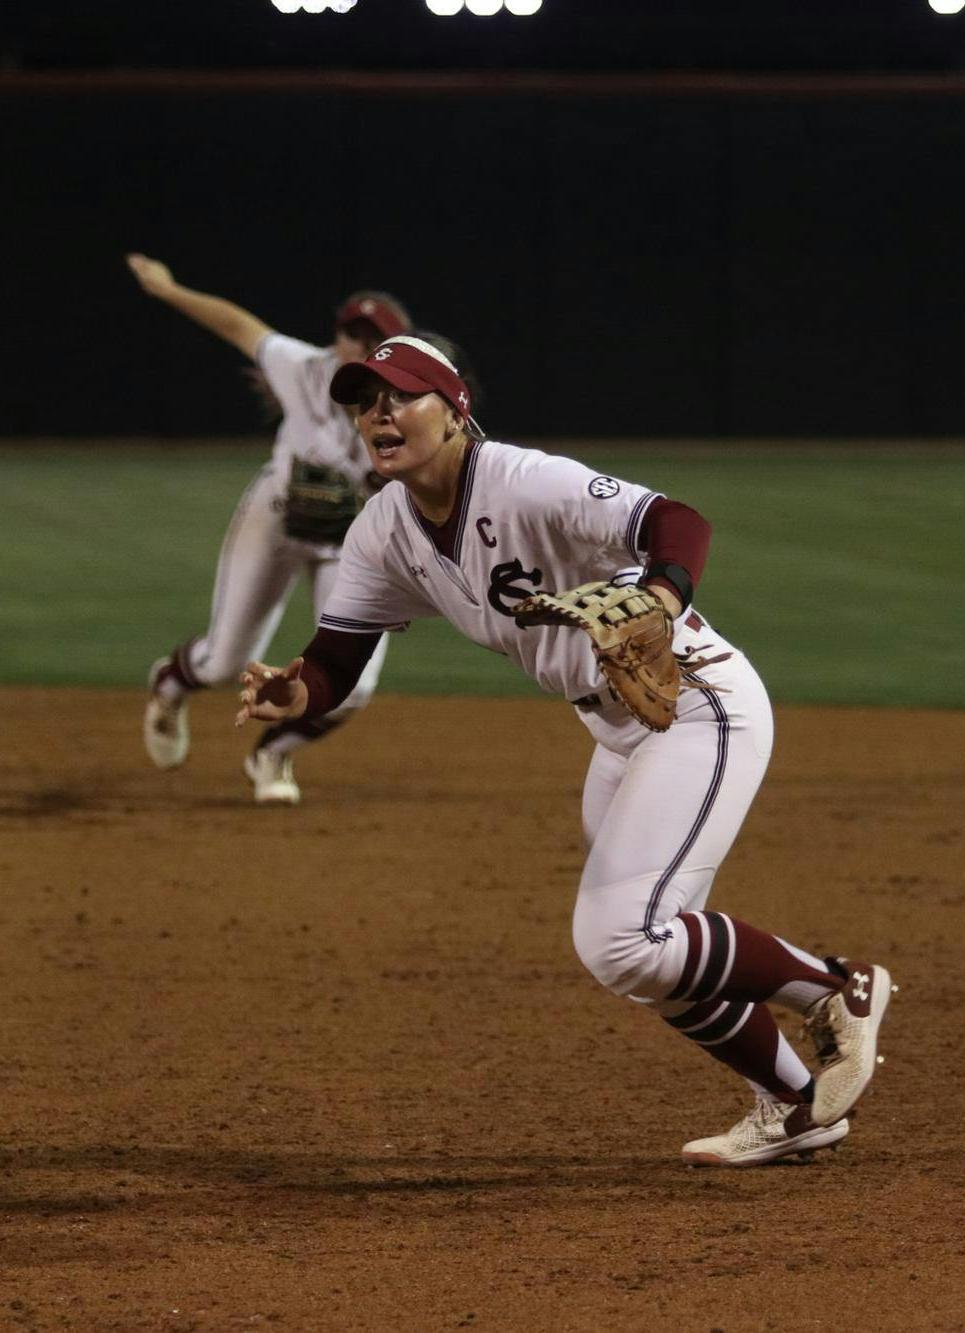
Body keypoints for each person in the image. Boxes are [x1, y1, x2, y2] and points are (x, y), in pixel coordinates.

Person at [235, 333, 897, 1166]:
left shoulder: (522, 479)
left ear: (455, 409)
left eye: (400, 395)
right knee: (649, 952)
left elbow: (676, 522)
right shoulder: (384, 530)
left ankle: (836, 988)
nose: (380, 414)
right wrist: (295, 695)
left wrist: (659, 593)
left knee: (619, 935)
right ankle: (800, 1104)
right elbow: (335, 659)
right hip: (617, 732)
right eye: (366, 402)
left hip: (700, 703)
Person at [125, 253, 411, 804]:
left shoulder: (410, 407)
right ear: (338, 336)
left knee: (353, 687)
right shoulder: (302, 369)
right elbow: (236, 324)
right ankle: (172, 681)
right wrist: (168, 289)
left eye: (371, 337)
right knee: (223, 662)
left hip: (351, 545)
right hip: (276, 519)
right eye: (352, 333)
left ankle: (272, 753)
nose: (358, 344)